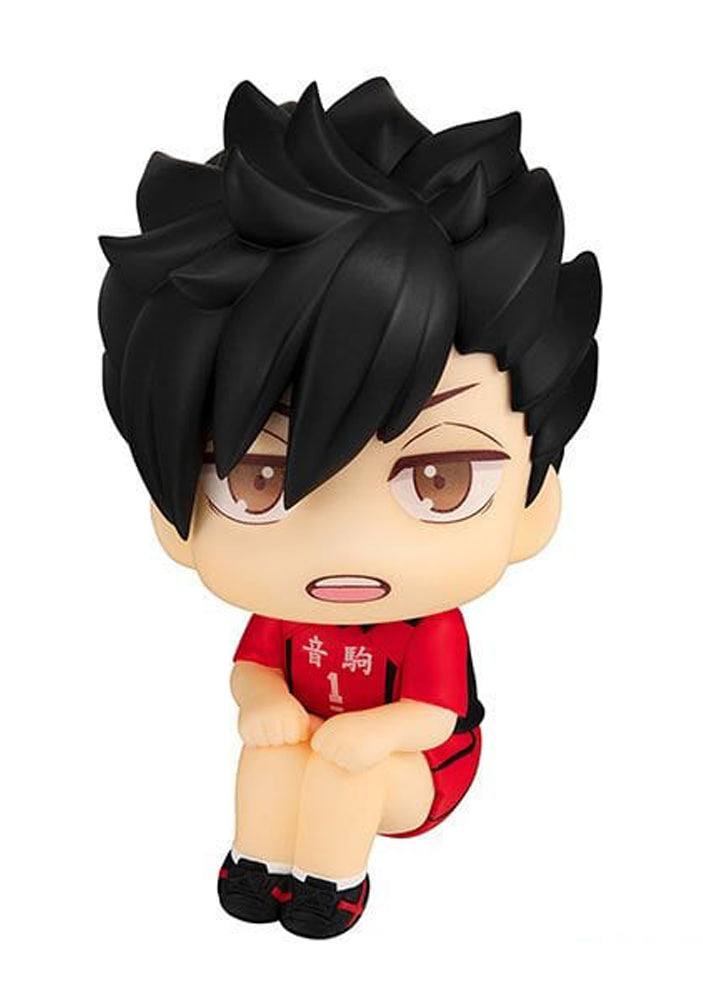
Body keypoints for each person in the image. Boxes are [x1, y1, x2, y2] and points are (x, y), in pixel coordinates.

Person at [98, 78, 600, 938]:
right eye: (259, 481)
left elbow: (434, 715)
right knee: (271, 754)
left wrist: (372, 736)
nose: (349, 544)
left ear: (533, 506)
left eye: (439, 480)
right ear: (171, 515)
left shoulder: (425, 626)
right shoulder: (283, 616)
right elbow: (253, 672)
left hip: (417, 768)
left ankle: (332, 884)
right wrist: (262, 703)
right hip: (314, 740)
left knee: (342, 776)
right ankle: (258, 864)